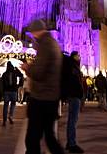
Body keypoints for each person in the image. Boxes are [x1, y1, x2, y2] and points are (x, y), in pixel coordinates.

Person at [21, 19, 65, 154]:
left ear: (37, 31)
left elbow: (39, 73)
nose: (32, 36)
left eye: (33, 33)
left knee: (33, 138)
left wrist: (28, 67)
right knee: (49, 137)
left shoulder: (45, 45)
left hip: (41, 98)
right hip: (50, 98)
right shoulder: (53, 43)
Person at [61, 51, 84, 152]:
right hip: (74, 95)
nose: (80, 57)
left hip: (74, 95)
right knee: (72, 121)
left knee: (72, 120)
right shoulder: (72, 67)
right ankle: (71, 144)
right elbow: (72, 81)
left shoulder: (73, 66)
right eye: (78, 56)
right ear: (74, 57)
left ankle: (70, 142)